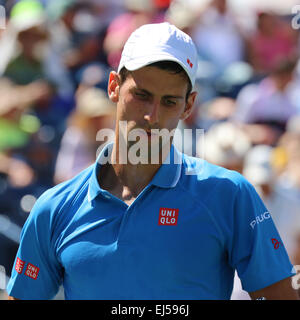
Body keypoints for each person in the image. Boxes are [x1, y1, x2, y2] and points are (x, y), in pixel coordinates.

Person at [6, 22, 298, 300]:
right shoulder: (53, 208)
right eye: (141, 95)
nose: (152, 116)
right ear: (113, 87)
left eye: (169, 101)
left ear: (189, 105)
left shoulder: (231, 194)